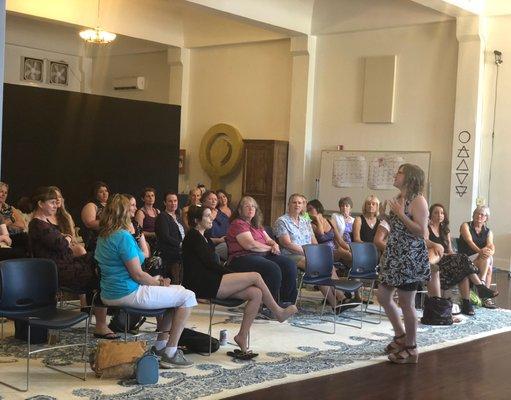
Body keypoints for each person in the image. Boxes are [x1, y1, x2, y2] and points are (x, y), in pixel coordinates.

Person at [95, 194, 197, 368]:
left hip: (110, 292)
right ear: (124, 212)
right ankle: (170, 353)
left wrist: (159, 282)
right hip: (127, 292)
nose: (135, 209)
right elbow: (138, 275)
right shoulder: (122, 237)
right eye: (131, 207)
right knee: (188, 296)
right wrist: (158, 283)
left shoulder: (104, 235)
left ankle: (160, 346)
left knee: (176, 294)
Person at [182, 204, 297, 357]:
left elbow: (213, 265)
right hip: (201, 283)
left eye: (211, 215)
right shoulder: (193, 236)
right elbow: (210, 265)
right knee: (255, 276)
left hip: (212, 280)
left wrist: (231, 275)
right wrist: (232, 274)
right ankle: (278, 312)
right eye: (207, 216)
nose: (211, 219)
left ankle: (241, 336)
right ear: (197, 220)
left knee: (256, 293)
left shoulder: (205, 238)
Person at [28, 186, 115, 339]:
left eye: (57, 202)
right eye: (52, 203)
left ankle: (105, 317)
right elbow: (61, 244)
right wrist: (66, 238)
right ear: (41, 204)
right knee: (101, 275)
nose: (56, 205)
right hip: (55, 270)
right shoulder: (36, 224)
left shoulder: (47, 222)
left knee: (100, 265)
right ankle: (102, 323)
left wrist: (66, 238)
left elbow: (64, 240)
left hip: (65, 263)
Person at [377, 164, 430, 364]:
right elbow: (398, 228)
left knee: (406, 303)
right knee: (383, 296)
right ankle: (400, 335)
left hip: (410, 258)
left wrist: (399, 214)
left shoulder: (418, 201)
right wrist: (384, 217)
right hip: (395, 256)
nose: (394, 175)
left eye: (399, 172)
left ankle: (412, 347)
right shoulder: (399, 199)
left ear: (409, 178)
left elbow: (420, 231)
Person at [427, 203, 497, 315]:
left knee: (465, 266)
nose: (439, 215)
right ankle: (479, 290)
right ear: (430, 215)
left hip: (448, 258)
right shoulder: (427, 228)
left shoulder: (445, 231)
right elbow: (424, 243)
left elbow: (450, 250)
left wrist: (452, 255)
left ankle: (468, 302)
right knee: (464, 261)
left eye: (442, 213)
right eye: (436, 212)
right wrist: (442, 250)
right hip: (435, 261)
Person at [226, 196, 297, 305]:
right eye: (247, 206)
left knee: (289, 264)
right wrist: (270, 248)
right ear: (240, 210)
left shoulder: (256, 225)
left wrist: (275, 244)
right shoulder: (238, 223)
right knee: (272, 268)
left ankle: (286, 302)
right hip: (242, 258)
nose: (251, 209)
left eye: (253, 206)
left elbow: (269, 240)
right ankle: (268, 305)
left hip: (261, 256)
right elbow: (250, 245)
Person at [457, 205, 497, 309]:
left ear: (486, 218)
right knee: (487, 262)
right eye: (477, 213)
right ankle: (484, 293)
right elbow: (469, 241)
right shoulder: (465, 226)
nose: (479, 216)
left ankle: (483, 290)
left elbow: (490, 245)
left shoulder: (488, 231)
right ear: (473, 214)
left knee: (488, 261)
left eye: (482, 215)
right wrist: (480, 251)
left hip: (480, 260)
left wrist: (490, 252)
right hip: (465, 259)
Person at [155, 191, 184, 283]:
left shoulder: (179, 217)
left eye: (175, 201)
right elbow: (165, 236)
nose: (173, 203)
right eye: (170, 201)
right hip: (169, 250)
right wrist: (180, 244)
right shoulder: (162, 216)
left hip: (181, 248)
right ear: (164, 203)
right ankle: (177, 284)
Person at [48, 186, 85, 258]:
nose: (57, 199)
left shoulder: (66, 216)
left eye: (59, 196)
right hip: (53, 249)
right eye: (54, 197)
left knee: (81, 251)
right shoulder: (44, 218)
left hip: (68, 246)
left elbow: (72, 236)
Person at [81, 181, 109, 252]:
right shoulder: (91, 205)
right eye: (101, 192)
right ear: (95, 194)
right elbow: (89, 224)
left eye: (106, 191)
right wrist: (110, 222)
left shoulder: (109, 205)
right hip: (96, 240)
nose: (104, 193)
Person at [0, 182, 28, 252]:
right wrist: (12, 220)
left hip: (13, 235)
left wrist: (7, 224)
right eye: (1, 191)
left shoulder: (10, 208)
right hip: (4, 237)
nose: (3, 195)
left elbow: (22, 225)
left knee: (25, 237)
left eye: (5, 193)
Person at [202, 190, 229, 261]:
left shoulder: (222, 214)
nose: (213, 201)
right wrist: (219, 240)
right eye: (210, 199)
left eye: (215, 199)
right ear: (204, 201)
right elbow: (201, 238)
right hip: (212, 246)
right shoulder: (200, 215)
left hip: (226, 241)